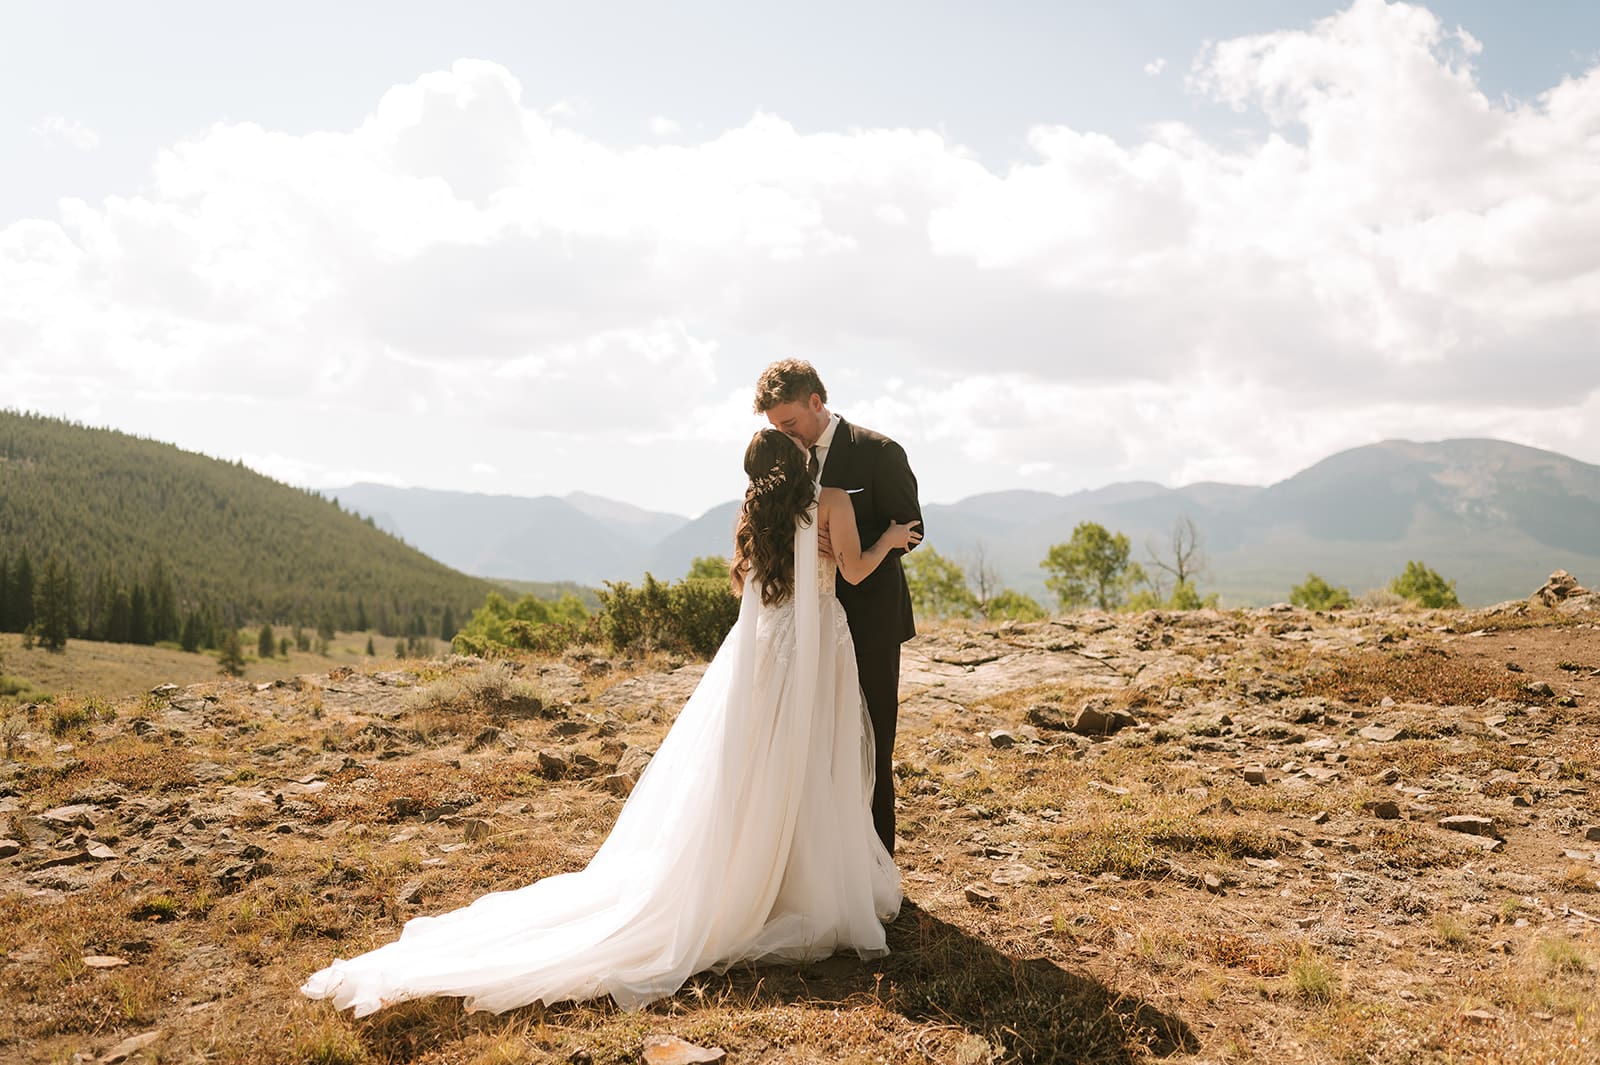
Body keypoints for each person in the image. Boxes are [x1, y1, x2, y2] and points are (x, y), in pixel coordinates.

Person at [300, 428, 921, 1017]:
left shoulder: (755, 513)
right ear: (798, 458)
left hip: (767, 647)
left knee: (766, 759)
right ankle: (806, 880)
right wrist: (890, 537)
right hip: (817, 644)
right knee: (817, 757)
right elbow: (857, 571)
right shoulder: (832, 500)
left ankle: (767, 871)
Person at [754, 360, 922, 854]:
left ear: (816, 402)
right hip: (801, 625)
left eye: (790, 424)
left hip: (868, 620)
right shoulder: (780, 460)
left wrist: (846, 546)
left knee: (870, 743)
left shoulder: (879, 451)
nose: (786, 435)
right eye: (776, 428)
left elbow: (912, 530)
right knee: (807, 745)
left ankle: (875, 867)